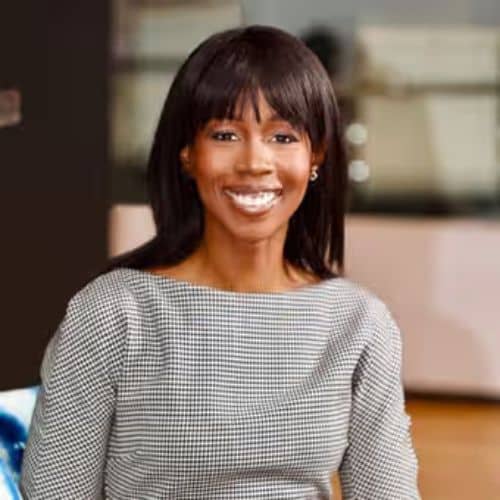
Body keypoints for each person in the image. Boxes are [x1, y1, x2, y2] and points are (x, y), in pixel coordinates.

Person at [20, 25, 420, 499]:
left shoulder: (360, 324)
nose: (254, 162)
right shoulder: (111, 314)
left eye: (283, 136)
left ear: (316, 155)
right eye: (226, 134)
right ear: (188, 154)